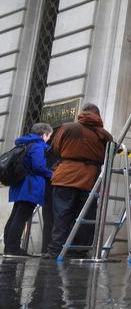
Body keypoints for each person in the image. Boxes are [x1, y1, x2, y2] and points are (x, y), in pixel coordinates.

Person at [50, 104, 113, 258]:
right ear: (98, 115)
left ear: (82, 113)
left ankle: (56, 249)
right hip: (90, 179)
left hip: (66, 175)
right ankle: (79, 250)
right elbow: (110, 154)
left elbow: (55, 148)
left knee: (62, 214)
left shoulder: (67, 127)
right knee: (86, 216)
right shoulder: (105, 135)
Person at [3, 123, 54, 256]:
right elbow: (38, 166)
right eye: (49, 136)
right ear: (43, 134)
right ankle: (13, 248)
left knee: (15, 216)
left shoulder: (24, 144)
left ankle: (9, 247)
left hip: (20, 184)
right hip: (31, 186)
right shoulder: (38, 146)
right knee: (20, 217)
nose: (49, 139)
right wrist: (52, 174)